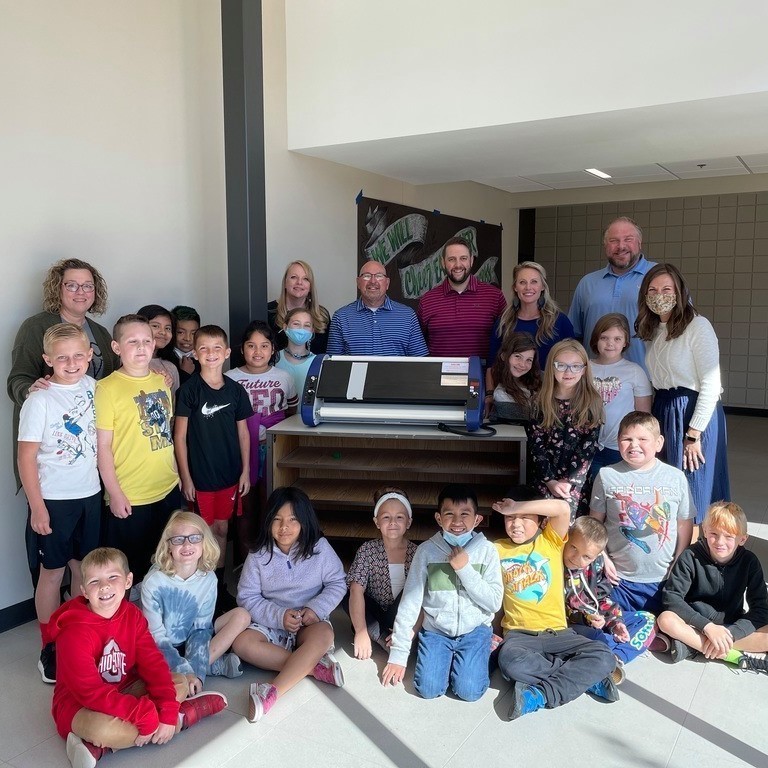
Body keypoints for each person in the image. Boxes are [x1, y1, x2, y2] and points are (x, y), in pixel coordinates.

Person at [49, 547, 227, 768]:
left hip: (125, 688)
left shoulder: (132, 615)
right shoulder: (73, 633)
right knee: (103, 729)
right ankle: (185, 716)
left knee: (180, 681)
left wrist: (165, 711)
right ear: (84, 591)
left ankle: (101, 747)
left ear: (128, 580)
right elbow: (90, 693)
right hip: (81, 705)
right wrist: (148, 716)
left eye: (112, 577)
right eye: (95, 582)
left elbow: (153, 663)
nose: (104, 586)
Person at [18, 323, 101, 684]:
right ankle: (50, 646)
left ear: (89, 356)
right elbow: (26, 458)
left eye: (78, 356)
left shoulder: (95, 388)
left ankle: (81, 637)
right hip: (54, 500)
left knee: (84, 568)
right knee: (52, 573)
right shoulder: (39, 399)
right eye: (62, 357)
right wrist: (37, 507)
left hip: (91, 495)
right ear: (47, 359)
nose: (71, 363)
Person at [493, 495, 619, 720]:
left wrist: (517, 505)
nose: (516, 523)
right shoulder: (496, 549)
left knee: (605, 656)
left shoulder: (551, 541)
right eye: (510, 518)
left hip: (559, 633)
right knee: (509, 663)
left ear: (541, 521)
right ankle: (584, 679)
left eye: (525, 517)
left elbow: (561, 507)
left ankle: (539, 694)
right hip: (519, 636)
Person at [233, 487, 347, 722]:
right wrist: (278, 615)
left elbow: (338, 583)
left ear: (304, 521)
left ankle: (272, 691)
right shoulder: (258, 555)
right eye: (277, 519)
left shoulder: (320, 549)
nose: (284, 527)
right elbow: (246, 596)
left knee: (324, 634)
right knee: (242, 643)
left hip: (309, 621)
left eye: (293, 520)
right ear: (268, 521)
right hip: (271, 623)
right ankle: (313, 666)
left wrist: (315, 609)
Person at [381, 484, 502, 702]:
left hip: (474, 631)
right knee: (428, 689)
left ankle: (485, 652)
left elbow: (493, 602)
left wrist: (464, 569)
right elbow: (411, 601)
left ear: (477, 519)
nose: (457, 522)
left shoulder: (487, 551)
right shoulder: (426, 551)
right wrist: (398, 655)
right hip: (437, 632)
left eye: (465, 514)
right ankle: (455, 659)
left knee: (469, 691)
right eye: (449, 514)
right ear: (438, 518)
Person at [8, 258, 117, 487]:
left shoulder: (101, 333)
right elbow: (17, 379)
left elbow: (117, 379)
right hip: (54, 456)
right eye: (71, 285)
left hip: (96, 448)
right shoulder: (35, 327)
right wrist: (30, 390)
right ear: (58, 289)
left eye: (88, 285)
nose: (81, 291)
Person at [636, 263, 730, 526]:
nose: (660, 295)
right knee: (667, 489)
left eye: (667, 289)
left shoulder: (698, 326)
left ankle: (694, 558)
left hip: (693, 414)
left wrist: (694, 433)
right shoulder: (653, 330)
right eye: (653, 290)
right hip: (665, 409)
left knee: (694, 490)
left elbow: (711, 384)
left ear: (679, 293)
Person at [95, 314, 182, 585]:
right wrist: (115, 493)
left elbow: (166, 434)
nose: (142, 347)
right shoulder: (106, 388)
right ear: (117, 347)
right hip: (131, 496)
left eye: (147, 340)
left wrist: (177, 477)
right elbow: (104, 448)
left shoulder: (161, 381)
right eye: (132, 341)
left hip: (167, 488)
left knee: (167, 565)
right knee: (131, 571)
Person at [174, 325, 252, 607]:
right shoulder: (189, 391)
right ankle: (201, 586)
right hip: (201, 479)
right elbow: (179, 437)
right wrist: (186, 478)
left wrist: (245, 471)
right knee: (200, 534)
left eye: (217, 348)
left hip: (230, 477)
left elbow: (243, 433)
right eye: (204, 348)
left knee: (221, 530)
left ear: (227, 353)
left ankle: (218, 587)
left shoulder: (236, 390)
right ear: (195, 353)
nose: (210, 354)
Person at [590, 411, 695, 615]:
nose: (634, 445)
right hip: (619, 580)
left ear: (658, 443)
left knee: (669, 622)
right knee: (611, 625)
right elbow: (595, 524)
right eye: (626, 439)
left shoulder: (676, 477)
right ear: (617, 441)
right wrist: (602, 558)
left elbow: (684, 523)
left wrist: (679, 561)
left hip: (664, 579)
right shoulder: (606, 475)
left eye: (642, 439)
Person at [141, 511, 252, 695]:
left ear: (204, 543)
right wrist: (186, 671)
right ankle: (209, 666)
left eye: (194, 538)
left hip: (192, 636)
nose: (186, 545)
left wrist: (195, 674)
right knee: (148, 667)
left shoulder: (208, 579)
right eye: (178, 539)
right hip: (160, 645)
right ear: (168, 545)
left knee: (242, 616)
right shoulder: (154, 582)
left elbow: (200, 631)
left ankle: (196, 669)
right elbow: (156, 637)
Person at [657, 501, 768, 673]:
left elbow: (761, 608)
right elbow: (671, 597)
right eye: (714, 534)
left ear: (742, 539)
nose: (720, 542)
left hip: (731, 626)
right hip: (696, 623)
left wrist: (731, 633)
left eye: (729, 536)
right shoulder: (690, 556)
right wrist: (708, 627)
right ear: (705, 531)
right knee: (665, 619)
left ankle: (695, 646)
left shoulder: (749, 562)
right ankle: (731, 655)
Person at [226, 321, 297, 547]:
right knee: (244, 504)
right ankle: (247, 557)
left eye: (264, 346)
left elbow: (291, 412)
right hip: (241, 450)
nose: (258, 352)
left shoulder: (285, 377)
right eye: (251, 346)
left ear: (273, 349)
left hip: (274, 449)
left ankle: (272, 553)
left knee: (271, 502)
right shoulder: (230, 378)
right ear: (242, 349)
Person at [563, 516, 656, 674]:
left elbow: (602, 599)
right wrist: (586, 617)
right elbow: (561, 610)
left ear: (597, 556)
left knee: (648, 619)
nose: (577, 558)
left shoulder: (595, 566)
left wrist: (615, 622)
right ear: (566, 540)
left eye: (587, 556)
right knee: (597, 638)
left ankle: (616, 657)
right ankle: (609, 656)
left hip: (596, 619)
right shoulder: (556, 565)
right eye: (573, 547)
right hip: (573, 625)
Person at [529, 339, 603, 520]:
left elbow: (587, 449)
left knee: (570, 529)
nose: (568, 372)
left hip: (574, 484)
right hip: (544, 478)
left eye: (575, 366)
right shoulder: (540, 401)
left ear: (584, 370)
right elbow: (536, 445)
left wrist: (568, 482)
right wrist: (551, 481)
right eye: (561, 365)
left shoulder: (592, 402)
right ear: (552, 367)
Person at [568, 217, 656, 369]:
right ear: (605, 245)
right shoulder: (587, 283)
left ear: (639, 243)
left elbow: (679, 328)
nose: (621, 246)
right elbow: (573, 336)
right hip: (593, 381)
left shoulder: (660, 278)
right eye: (613, 240)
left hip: (647, 381)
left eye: (628, 239)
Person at [346, 487, 419, 659]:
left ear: (408, 522)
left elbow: (422, 598)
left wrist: (409, 631)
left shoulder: (418, 553)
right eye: (386, 517)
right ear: (377, 522)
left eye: (399, 517)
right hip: (376, 613)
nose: (393, 522)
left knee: (415, 590)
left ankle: (384, 636)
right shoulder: (367, 550)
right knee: (348, 590)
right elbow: (357, 590)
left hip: (404, 616)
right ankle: (377, 636)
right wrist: (361, 632)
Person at [417, 236, 506, 360]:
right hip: (440, 378)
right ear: (443, 262)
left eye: (463, 258)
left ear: (471, 260)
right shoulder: (427, 301)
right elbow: (419, 346)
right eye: (451, 259)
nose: (458, 265)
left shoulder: (495, 297)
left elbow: (506, 341)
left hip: (482, 377)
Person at [588, 313, 652, 479]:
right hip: (587, 446)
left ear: (625, 342)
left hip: (620, 448)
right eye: (604, 337)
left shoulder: (635, 372)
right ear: (596, 339)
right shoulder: (584, 368)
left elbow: (643, 417)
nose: (610, 343)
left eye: (617, 338)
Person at [327, 260, 428, 356]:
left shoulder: (408, 316)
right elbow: (333, 364)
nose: (373, 281)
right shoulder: (341, 317)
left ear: (387, 283)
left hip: (396, 374)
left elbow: (419, 361)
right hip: (357, 375)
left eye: (379, 276)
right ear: (358, 282)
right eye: (366, 276)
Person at [488, 261, 574, 370]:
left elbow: (574, 360)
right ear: (515, 287)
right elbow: (492, 365)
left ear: (542, 286)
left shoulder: (560, 321)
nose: (528, 287)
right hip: (511, 386)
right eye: (522, 282)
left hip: (549, 386)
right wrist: (491, 388)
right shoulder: (504, 322)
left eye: (534, 282)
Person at [268, 260, 330, 354]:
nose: (299, 282)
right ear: (285, 283)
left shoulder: (322, 315)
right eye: (294, 277)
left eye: (306, 279)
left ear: (310, 286)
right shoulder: (267, 312)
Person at [486, 331, 541, 423]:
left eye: (529, 360)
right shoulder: (501, 393)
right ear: (504, 356)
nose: (522, 364)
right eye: (518, 356)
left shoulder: (539, 378)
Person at [137, 304, 180, 396]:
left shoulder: (170, 368)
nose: (163, 332)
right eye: (156, 326)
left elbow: (172, 406)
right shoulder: (124, 361)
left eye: (168, 328)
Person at [275, 307, 316, 396]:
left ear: (312, 331)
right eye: (296, 324)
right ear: (285, 327)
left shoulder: (318, 362)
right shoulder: (274, 359)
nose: (301, 329)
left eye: (307, 325)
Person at [170, 305, 201, 385]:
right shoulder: (165, 359)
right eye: (181, 332)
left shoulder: (203, 358)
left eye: (193, 333)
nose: (187, 338)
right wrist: (184, 373)